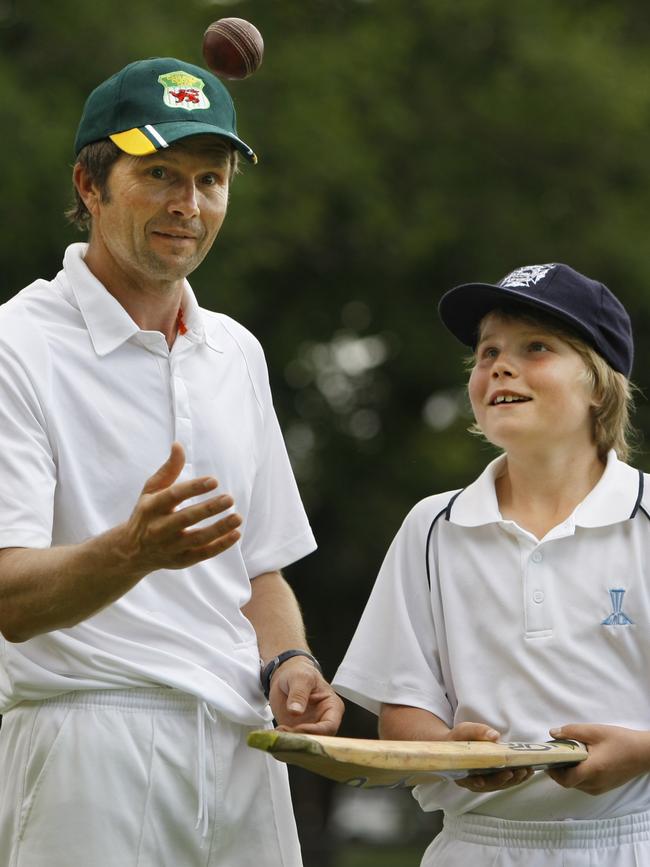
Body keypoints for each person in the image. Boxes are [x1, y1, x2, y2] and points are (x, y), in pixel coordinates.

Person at [0, 57, 343, 867]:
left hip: (239, 740)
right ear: (90, 185)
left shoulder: (236, 351)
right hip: (86, 737)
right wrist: (133, 550)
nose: (188, 205)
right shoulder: (16, 344)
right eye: (158, 174)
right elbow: (9, 596)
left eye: (209, 179)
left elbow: (258, 572)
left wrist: (289, 661)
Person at [333, 262, 650, 866]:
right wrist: (451, 753)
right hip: (476, 850)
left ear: (599, 385)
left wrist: (642, 752)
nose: (500, 366)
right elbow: (403, 712)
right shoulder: (432, 527)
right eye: (487, 352)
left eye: (537, 348)